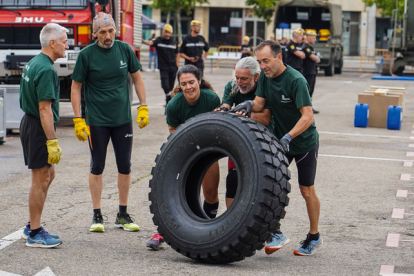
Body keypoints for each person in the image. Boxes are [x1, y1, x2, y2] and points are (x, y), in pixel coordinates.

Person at [232, 40, 321, 256]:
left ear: (278, 58)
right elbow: (260, 104)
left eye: (266, 61)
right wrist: (248, 105)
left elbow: (307, 116)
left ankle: (314, 236)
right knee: (271, 186)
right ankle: (276, 232)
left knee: (306, 189)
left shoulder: (296, 80)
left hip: (303, 141)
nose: (262, 66)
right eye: (259, 61)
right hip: (281, 141)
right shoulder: (265, 77)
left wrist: (289, 136)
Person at [70, 12, 148, 233]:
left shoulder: (124, 50)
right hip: (97, 122)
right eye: (102, 32)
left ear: (116, 30)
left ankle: (122, 214)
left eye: (111, 31)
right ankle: (97, 215)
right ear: (95, 34)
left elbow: (137, 77)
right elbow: (75, 87)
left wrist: (143, 106)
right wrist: (78, 119)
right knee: (98, 166)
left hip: (122, 120)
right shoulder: (86, 55)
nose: (107, 36)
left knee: (125, 166)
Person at [147, 64, 220, 250]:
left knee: (211, 193)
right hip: (185, 151)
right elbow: (173, 131)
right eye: (184, 83)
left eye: (192, 82)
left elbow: (220, 127)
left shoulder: (211, 99)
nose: (189, 87)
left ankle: (207, 228)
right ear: (180, 85)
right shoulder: (174, 105)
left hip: (209, 149)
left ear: (199, 81)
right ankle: (163, 232)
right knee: (179, 194)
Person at [19, 23, 68, 248]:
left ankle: (33, 225)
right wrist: (52, 141)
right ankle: (35, 233)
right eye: (64, 41)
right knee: (40, 180)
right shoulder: (47, 69)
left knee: (49, 175)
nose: (67, 45)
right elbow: (44, 109)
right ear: (52, 43)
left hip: (30, 123)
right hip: (38, 126)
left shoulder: (34, 62)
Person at [215, 57, 274, 208]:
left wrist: (245, 116)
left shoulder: (266, 87)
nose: (239, 82)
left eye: (244, 79)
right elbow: (226, 106)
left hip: (264, 142)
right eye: (237, 77)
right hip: (242, 139)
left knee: (264, 186)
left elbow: (266, 118)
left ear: (256, 76)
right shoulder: (233, 86)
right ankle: (231, 221)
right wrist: (222, 111)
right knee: (233, 180)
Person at [142, 24, 179, 107]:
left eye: (169, 32)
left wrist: (177, 65)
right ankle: (169, 99)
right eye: (166, 32)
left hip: (173, 68)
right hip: (163, 67)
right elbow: (150, 43)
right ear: (163, 31)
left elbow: (177, 53)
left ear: (171, 33)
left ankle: (168, 104)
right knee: (165, 85)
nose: (167, 34)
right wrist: (142, 40)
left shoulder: (174, 42)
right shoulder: (159, 40)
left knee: (170, 86)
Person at [301, 30, 321, 114]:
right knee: (307, 91)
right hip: (307, 72)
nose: (315, 39)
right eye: (313, 37)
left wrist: (316, 58)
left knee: (311, 91)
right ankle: (306, 109)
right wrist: (316, 58)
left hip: (312, 72)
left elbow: (317, 59)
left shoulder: (310, 47)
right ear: (308, 37)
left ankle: (310, 107)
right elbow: (314, 58)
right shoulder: (306, 47)